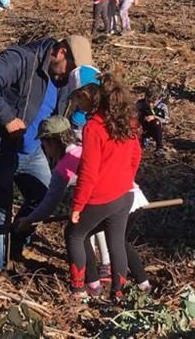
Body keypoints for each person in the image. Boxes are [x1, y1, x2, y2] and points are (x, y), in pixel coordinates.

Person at [0, 34, 94, 271]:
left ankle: (15, 243)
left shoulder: (64, 82)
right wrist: (7, 119)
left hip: (31, 151)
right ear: (61, 52)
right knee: (0, 208)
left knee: (43, 197)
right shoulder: (22, 59)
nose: (69, 76)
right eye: (70, 69)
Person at [13, 114, 151, 295]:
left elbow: (48, 205)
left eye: (44, 144)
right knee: (117, 241)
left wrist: (28, 220)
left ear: (53, 142)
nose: (44, 149)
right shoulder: (84, 144)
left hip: (109, 198)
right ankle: (141, 285)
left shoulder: (64, 167)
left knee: (75, 234)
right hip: (132, 197)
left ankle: (84, 288)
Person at [65, 73, 140, 299]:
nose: (78, 106)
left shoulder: (93, 128)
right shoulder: (126, 121)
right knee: (116, 241)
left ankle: (79, 289)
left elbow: (88, 171)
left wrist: (78, 206)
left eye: (79, 101)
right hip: (124, 194)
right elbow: (136, 154)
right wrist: (126, 178)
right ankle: (119, 293)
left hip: (102, 197)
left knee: (74, 234)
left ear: (88, 96)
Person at [136, 84, 169, 157]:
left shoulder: (162, 107)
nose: (150, 105)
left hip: (155, 128)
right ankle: (141, 141)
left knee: (156, 123)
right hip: (142, 126)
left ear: (159, 99)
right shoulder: (140, 104)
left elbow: (166, 119)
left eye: (153, 102)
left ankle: (159, 147)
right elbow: (134, 115)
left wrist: (155, 117)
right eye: (148, 101)